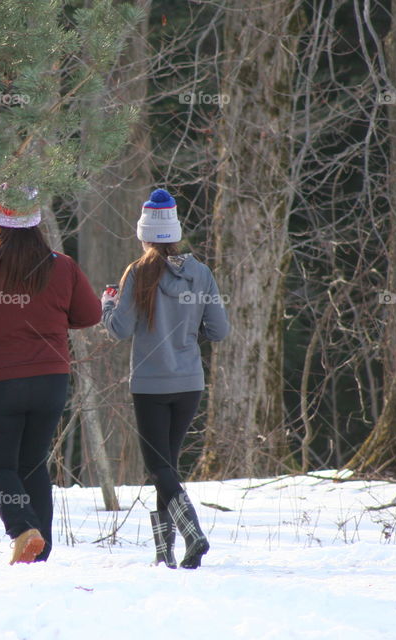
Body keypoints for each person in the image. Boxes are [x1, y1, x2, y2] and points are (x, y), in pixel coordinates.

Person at [0, 187, 101, 564]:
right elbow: (90, 314)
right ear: (36, 220)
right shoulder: (61, 265)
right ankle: (39, 551)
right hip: (50, 380)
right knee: (33, 465)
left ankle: (23, 530)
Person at [101, 188, 229, 569]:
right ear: (174, 234)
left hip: (151, 385)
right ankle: (164, 553)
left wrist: (107, 304)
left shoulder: (138, 273)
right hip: (189, 383)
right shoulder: (200, 273)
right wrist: (190, 336)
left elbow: (120, 330)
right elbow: (219, 330)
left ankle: (192, 534)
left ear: (144, 235)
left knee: (159, 467)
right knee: (167, 466)